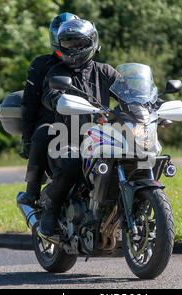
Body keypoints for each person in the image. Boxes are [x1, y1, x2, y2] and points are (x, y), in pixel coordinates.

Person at [39, 19, 120, 236]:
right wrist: (56, 99)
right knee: (73, 162)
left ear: (91, 43)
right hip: (68, 138)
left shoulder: (105, 72)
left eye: (79, 43)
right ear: (60, 45)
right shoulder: (57, 72)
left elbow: (128, 92)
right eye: (68, 43)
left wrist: (148, 103)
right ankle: (51, 207)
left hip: (104, 137)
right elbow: (49, 94)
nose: (73, 49)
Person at [18, 13, 80, 207]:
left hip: (86, 124)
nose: (72, 44)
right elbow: (29, 104)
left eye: (75, 39)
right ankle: (32, 191)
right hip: (52, 123)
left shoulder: (92, 66)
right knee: (43, 132)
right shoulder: (42, 64)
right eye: (67, 38)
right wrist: (27, 140)